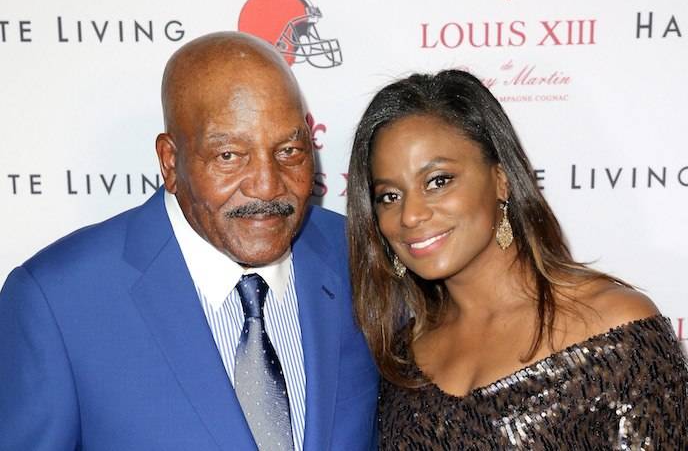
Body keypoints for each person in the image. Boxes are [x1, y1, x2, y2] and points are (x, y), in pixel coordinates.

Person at [0, 32, 378, 451]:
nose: (267, 186)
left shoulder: (358, 254)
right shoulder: (57, 302)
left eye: (289, 150)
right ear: (170, 162)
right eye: (229, 156)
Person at [347, 69, 687, 449]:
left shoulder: (615, 330)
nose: (410, 215)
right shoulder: (401, 358)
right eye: (389, 196)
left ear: (501, 179)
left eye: (438, 181)